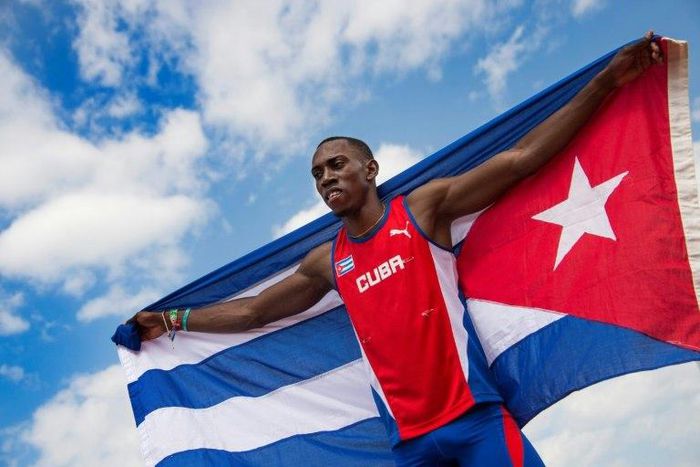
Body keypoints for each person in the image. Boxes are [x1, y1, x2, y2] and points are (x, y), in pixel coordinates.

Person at [131, 32, 663, 466]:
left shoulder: (423, 210)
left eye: (336, 164)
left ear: (370, 169)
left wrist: (607, 82)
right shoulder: (329, 259)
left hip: (476, 421)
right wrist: (172, 319)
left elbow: (522, 159)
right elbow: (253, 311)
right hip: (411, 447)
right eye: (317, 173)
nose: (325, 177)